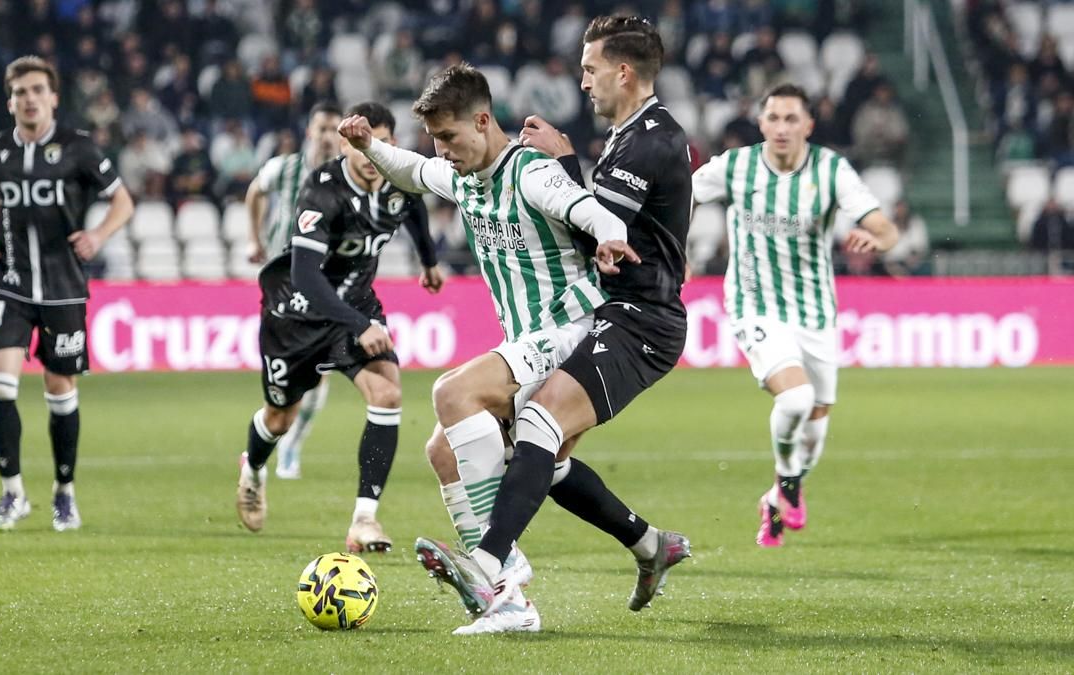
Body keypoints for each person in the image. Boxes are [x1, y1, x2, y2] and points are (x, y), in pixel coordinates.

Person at [340, 62, 652, 635]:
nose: (442, 149)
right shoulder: (461, 176)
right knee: (443, 452)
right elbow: (411, 170)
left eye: (450, 136)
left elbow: (586, 208)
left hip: (570, 331)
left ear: (483, 121)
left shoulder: (530, 172)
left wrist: (611, 237)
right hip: (526, 340)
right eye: (435, 138)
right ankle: (513, 591)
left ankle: (499, 572)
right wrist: (369, 146)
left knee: (451, 393)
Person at [404, 15, 695, 625]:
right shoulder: (628, 135)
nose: (583, 81)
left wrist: (561, 164)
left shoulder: (649, 141)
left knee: (537, 425)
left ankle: (491, 567)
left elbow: (594, 227)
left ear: (623, 72)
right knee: (538, 453)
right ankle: (650, 545)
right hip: (615, 311)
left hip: (640, 319)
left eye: (590, 69)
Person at [692, 83, 898, 547]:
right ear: (761, 123)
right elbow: (678, 198)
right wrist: (674, 250)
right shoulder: (735, 167)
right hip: (754, 305)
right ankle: (787, 480)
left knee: (816, 427)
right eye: (773, 118)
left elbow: (884, 227)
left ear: (808, 125)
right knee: (796, 400)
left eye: (791, 119)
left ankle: (776, 497)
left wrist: (878, 239)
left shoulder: (831, 170)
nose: (781, 127)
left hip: (815, 311)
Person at [235, 102, 444, 555]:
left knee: (387, 394)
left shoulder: (399, 178)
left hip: (356, 304)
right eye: (364, 144)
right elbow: (305, 275)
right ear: (347, 144)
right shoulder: (323, 189)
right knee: (279, 418)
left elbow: (414, 209)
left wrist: (428, 260)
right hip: (296, 312)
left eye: (382, 144)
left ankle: (364, 519)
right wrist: (358, 324)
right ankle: (252, 470)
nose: (372, 155)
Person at [0, 56, 135, 532]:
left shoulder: (78, 148)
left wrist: (99, 235)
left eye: (37, 90)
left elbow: (123, 201)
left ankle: (64, 492)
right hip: (12, 284)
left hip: (64, 289)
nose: (29, 99)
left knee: (60, 391)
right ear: (10, 102)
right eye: (20, 92)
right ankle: (12, 493)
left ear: (54, 98)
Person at [244, 101, 342, 479]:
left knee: (321, 369)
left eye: (334, 129)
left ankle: (291, 446)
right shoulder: (283, 169)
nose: (328, 136)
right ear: (309, 132)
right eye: (322, 129)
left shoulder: (346, 175)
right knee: (285, 373)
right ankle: (271, 433)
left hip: (323, 284)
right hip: (282, 284)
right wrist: (254, 239)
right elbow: (255, 192)